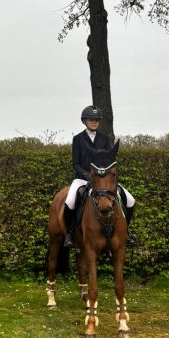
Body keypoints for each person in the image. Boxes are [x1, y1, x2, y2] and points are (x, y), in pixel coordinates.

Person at [63, 105, 136, 247]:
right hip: (83, 178)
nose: (94, 121)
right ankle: (70, 233)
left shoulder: (105, 138)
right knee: (70, 201)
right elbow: (76, 163)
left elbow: (110, 161)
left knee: (130, 200)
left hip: (104, 180)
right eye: (91, 119)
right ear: (84, 121)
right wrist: (86, 174)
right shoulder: (78, 139)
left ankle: (127, 231)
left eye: (97, 119)